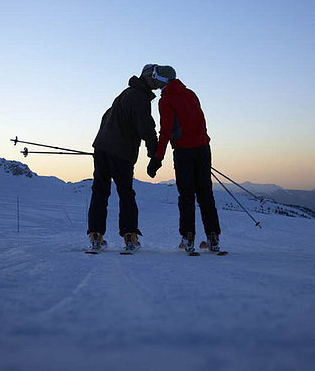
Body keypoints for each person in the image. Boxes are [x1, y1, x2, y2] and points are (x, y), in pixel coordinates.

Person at [88, 64, 164, 252]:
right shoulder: (140, 97)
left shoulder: (125, 94)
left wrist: (104, 141)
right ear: (147, 78)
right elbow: (146, 128)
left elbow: (106, 117)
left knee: (100, 191)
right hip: (121, 153)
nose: (157, 83)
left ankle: (95, 236)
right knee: (126, 193)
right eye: (155, 79)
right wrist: (154, 156)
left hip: (102, 148)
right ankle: (130, 236)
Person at [147, 66, 221, 253]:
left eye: (156, 76)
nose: (154, 80)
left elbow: (166, 130)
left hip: (183, 152)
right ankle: (213, 237)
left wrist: (158, 157)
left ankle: (188, 238)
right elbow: (201, 121)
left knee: (187, 195)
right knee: (206, 194)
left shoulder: (166, 100)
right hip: (203, 148)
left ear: (163, 79)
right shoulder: (190, 94)